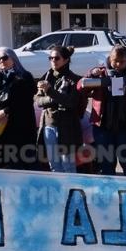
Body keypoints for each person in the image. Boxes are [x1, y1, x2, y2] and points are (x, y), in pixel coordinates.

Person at [83, 45, 126, 176]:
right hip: (103, 127)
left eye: (122, 61)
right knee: (106, 165)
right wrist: (91, 74)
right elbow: (80, 88)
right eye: (115, 61)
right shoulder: (101, 73)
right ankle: (109, 195)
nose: (118, 64)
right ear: (109, 59)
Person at [0, 46, 37, 169]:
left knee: (22, 163)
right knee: (3, 164)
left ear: (13, 58)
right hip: (1, 128)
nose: (1, 61)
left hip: (21, 127)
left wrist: (6, 111)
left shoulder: (25, 76)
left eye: (4, 58)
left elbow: (26, 101)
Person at [35, 45, 84, 173]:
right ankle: (59, 192)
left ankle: (71, 192)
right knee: (54, 166)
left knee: (68, 166)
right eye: (50, 58)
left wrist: (50, 91)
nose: (53, 61)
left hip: (67, 127)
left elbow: (71, 102)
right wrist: (54, 99)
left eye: (57, 58)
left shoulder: (74, 79)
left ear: (66, 60)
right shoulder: (46, 77)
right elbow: (38, 101)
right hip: (48, 125)